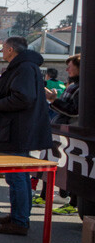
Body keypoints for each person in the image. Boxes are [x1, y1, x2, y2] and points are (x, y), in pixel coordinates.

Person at [0, 36, 53, 236]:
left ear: (11, 49)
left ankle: (20, 220)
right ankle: (18, 215)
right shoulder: (25, 66)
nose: (1, 51)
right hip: (17, 129)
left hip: (17, 130)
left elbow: (23, 97)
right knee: (18, 176)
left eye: (3, 48)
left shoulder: (24, 68)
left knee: (17, 176)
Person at [43, 54, 80, 215]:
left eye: (70, 66)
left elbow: (74, 111)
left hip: (73, 133)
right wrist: (55, 101)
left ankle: (73, 202)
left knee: (73, 169)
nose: (66, 70)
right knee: (62, 165)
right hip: (65, 131)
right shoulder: (73, 85)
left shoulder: (82, 88)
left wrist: (54, 101)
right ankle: (62, 197)